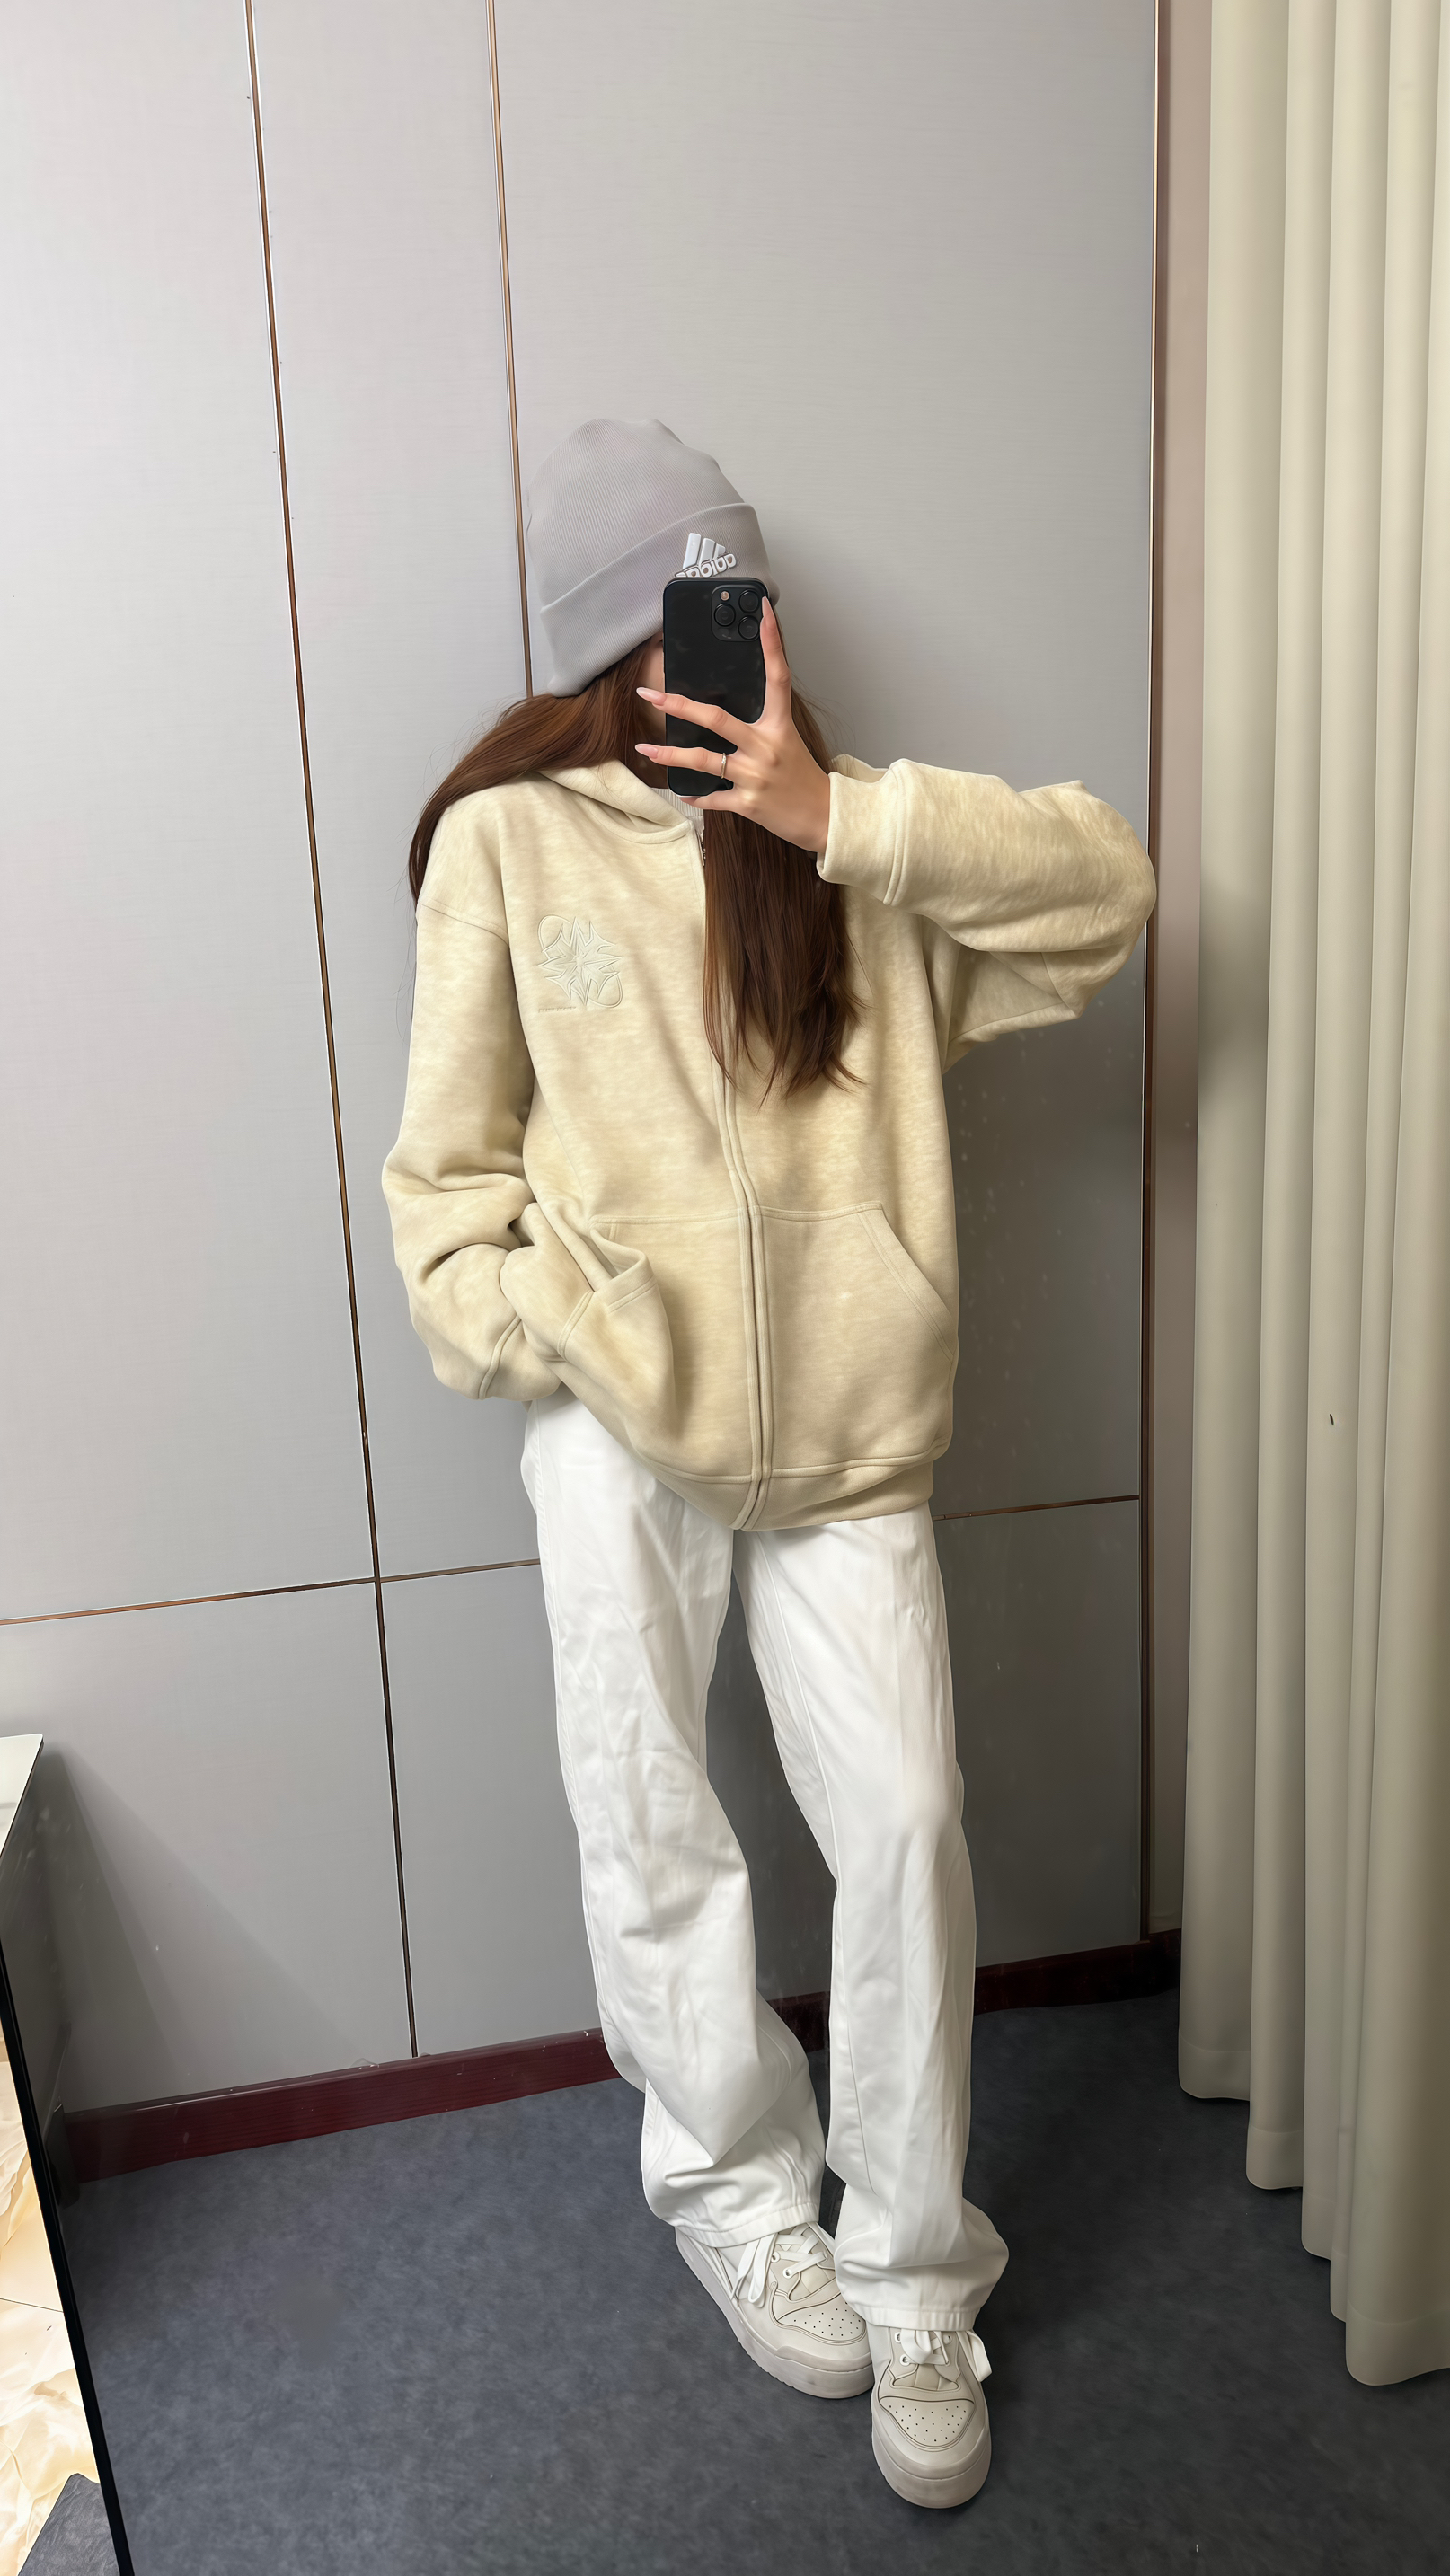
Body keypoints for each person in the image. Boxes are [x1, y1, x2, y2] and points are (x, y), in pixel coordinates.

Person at [384, 419, 1155, 2509]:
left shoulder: (856, 840)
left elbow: (1108, 899)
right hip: (616, 1429)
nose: (710, 654)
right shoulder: (509, 845)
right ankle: (737, 2197)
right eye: (665, 621)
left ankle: (914, 2272)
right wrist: (572, 1329)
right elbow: (444, 1195)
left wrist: (836, 813)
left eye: (734, 608)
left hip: (849, 1429)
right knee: (653, 1825)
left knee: (903, 1828)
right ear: (594, 652)